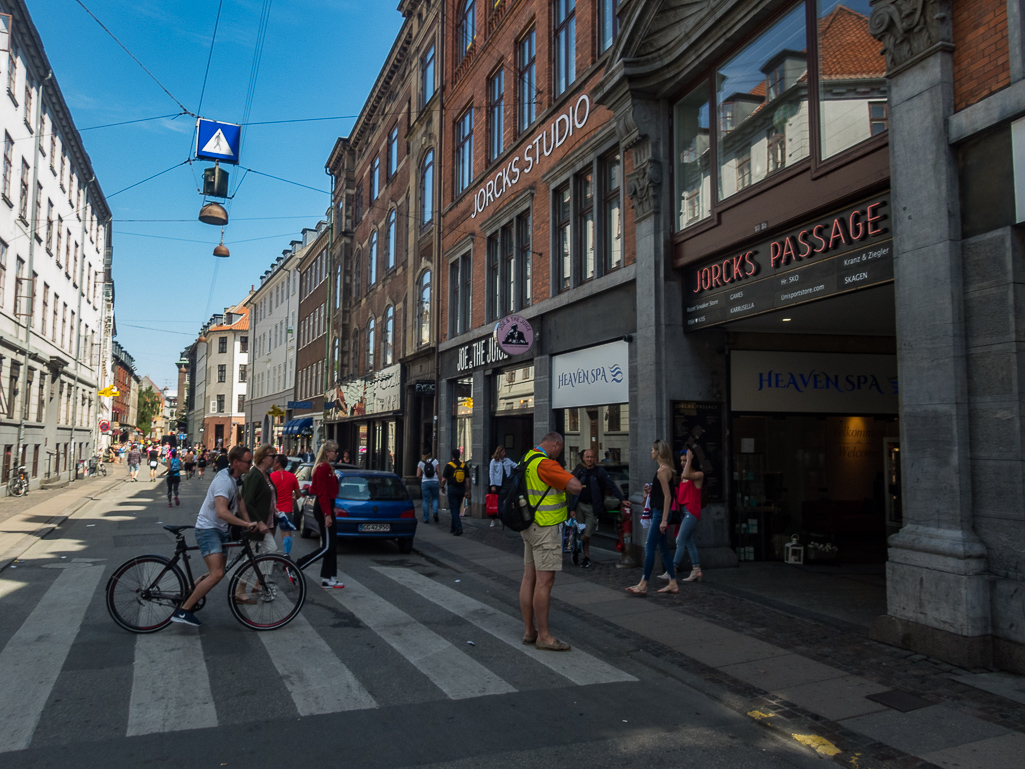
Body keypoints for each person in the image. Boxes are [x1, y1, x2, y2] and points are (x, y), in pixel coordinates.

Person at [171, 445, 266, 627]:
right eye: (248, 461)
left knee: (216, 574)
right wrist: (246, 524)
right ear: (237, 462)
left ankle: (186, 596)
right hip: (208, 530)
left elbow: (239, 501)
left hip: (218, 530)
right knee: (217, 574)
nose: (251, 465)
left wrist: (250, 521)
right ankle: (183, 612)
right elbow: (222, 512)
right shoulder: (223, 481)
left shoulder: (233, 477)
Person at [519, 432, 582, 651]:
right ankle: (544, 636)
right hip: (545, 529)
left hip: (529, 526)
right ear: (555, 444)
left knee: (529, 578)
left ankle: (529, 631)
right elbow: (575, 486)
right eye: (560, 449)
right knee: (545, 582)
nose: (559, 454)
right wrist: (563, 475)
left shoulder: (527, 458)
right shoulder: (546, 464)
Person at [626, 440, 680, 596]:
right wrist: (651, 489)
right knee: (663, 549)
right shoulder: (666, 470)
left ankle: (643, 584)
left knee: (649, 547)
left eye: (652, 449)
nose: (651, 452)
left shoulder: (662, 471)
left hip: (659, 513)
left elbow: (668, 497)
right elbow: (664, 493)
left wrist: (663, 520)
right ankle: (672, 582)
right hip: (660, 512)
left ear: (658, 452)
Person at [296, 440, 344, 588]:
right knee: (328, 546)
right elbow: (322, 493)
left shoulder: (327, 467)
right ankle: (297, 567)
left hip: (327, 506)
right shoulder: (323, 468)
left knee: (332, 544)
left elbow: (329, 493)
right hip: (323, 507)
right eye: (335, 451)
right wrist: (327, 514)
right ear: (327, 452)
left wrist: (331, 509)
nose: (337, 454)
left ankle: (328, 577)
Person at [568, 448, 628, 568]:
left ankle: (576, 546)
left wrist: (622, 499)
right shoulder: (581, 472)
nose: (589, 459)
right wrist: (572, 509)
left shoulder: (600, 472)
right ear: (584, 459)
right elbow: (574, 491)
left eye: (591, 457)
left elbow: (611, 485)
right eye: (587, 457)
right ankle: (586, 557)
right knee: (582, 532)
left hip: (592, 507)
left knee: (587, 534)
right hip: (580, 506)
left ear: (594, 458)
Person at [660, 448, 704, 583]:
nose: (683, 463)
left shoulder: (698, 474)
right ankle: (696, 569)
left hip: (691, 512)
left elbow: (686, 476)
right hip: (684, 512)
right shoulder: (684, 478)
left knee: (680, 540)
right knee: (689, 542)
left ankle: (672, 568)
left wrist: (690, 460)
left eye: (685, 460)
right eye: (681, 461)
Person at [242, 444, 278, 555]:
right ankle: (259, 572)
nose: (275, 459)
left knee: (269, 550)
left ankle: (262, 572)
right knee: (254, 554)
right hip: (256, 523)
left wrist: (274, 508)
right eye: (272, 456)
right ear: (263, 458)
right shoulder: (255, 475)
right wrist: (259, 522)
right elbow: (248, 502)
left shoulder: (265, 475)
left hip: (264, 522)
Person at [270, 453, 301, 556]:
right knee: (286, 533)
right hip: (286, 509)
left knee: (271, 534)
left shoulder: (271, 476)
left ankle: (271, 555)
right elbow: (298, 494)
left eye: (274, 462)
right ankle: (286, 554)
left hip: (273, 509)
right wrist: (293, 498)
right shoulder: (292, 477)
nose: (272, 464)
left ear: (278, 464)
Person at [441, 449, 470, 535]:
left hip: (452, 488)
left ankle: (458, 528)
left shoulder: (449, 466)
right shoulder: (464, 466)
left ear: (452, 456)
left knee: (453, 509)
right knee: (456, 508)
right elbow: (467, 480)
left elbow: (443, 479)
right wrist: (467, 491)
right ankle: (453, 528)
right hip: (461, 489)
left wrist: (442, 487)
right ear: (459, 456)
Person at [488, 446, 516, 528]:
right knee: (494, 502)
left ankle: (502, 517)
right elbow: (491, 473)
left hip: (505, 483)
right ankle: (493, 519)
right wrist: (492, 484)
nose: (504, 454)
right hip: (497, 484)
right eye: (502, 452)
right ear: (499, 452)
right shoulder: (494, 461)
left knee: (503, 501)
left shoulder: (507, 460)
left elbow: (514, 465)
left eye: (504, 452)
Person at [416, 450, 440, 524]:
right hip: (435, 481)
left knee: (426, 500)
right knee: (435, 498)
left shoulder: (421, 463)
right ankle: (435, 512)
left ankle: (426, 518)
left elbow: (417, 475)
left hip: (425, 482)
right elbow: (439, 472)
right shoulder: (435, 461)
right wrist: (441, 481)